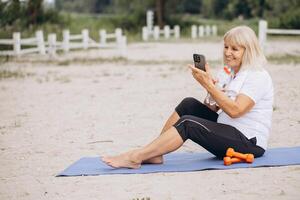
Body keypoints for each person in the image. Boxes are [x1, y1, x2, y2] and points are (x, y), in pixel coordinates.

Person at [102, 26, 274, 169]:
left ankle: (136, 157)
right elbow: (213, 108)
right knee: (189, 105)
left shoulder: (257, 75)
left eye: (234, 49)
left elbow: (236, 111)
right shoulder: (230, 73)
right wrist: (210, 88)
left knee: (188, 124)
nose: (228, 52)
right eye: (226, 47)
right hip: (228, 130)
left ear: (248, 51)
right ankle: (155, 154)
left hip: (249, 143)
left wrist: (209, 85)